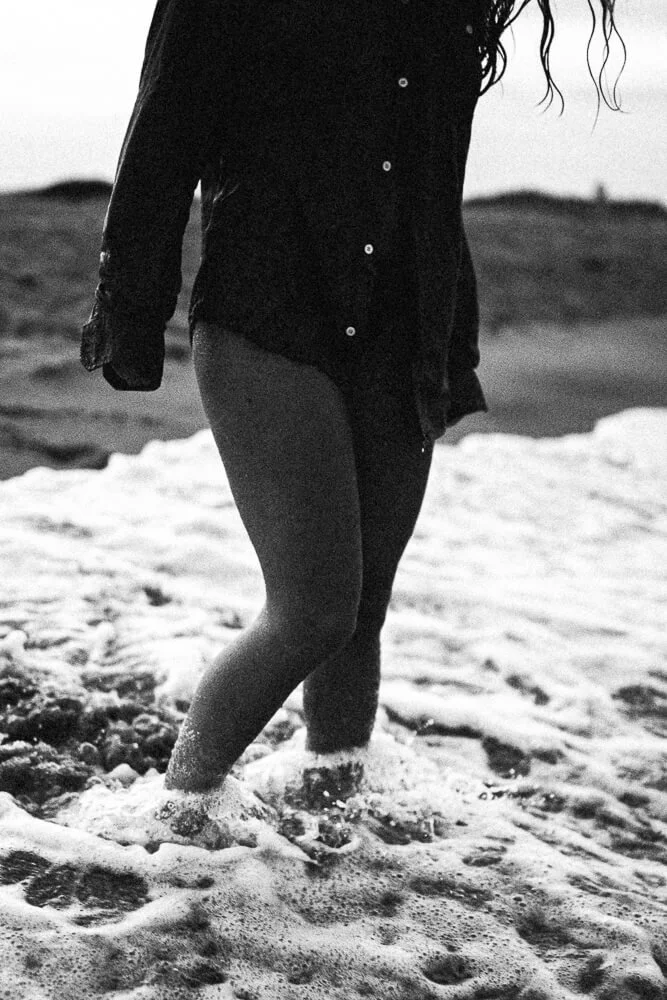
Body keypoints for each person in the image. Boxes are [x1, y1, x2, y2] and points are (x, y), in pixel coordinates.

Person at [80, 0, 624, 793]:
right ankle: (174, 828)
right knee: (313, 612)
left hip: (404, 326)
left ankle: (335, 813)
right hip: (268, 309)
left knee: (360, 612)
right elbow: (163, 138)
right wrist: (130, 315)